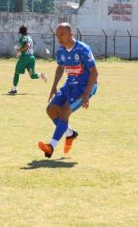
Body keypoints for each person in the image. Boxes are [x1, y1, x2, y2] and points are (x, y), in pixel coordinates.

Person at [38, 23, 98, 158]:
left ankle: (51, 147)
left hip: (84, 86)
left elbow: (94, 73)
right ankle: (70, 134)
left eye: (62, 34)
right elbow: (60, 67)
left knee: (65, 111)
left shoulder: (83, 49)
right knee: (51, 109)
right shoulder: (60, 50)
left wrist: (87, 94)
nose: (59, 37)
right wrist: (54, 86)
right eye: (57, 35)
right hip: (70, 84)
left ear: (71, 34)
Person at [8, 25, 47, 95]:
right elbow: (27, 46)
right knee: (32, 75)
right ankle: (41, 75)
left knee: (16, 72)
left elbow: (27, 45)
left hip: (25, 58)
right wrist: (20, 50)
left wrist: (19, 50)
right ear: (26, 31)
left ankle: (14, 89)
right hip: (31, 58)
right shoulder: (29, 37)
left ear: (20, 31)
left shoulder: (23, 38)